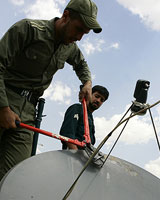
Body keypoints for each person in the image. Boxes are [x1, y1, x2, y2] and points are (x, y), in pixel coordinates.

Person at [0, 0, 102, 181]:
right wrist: (3, 108)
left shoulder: (70, 47)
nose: (79, 37)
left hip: (28, 113)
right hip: (5, 97)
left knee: (15, 176)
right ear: (66, 15)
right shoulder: (28, 29)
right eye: (79, 29)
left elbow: (81, 64)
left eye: (84, 34)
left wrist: (87, 82)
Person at [59, 85, 109, 149]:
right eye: (97, 96)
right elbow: (67, 134)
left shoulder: (90, 119)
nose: (98, 100)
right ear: (89, 95)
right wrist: (77, 156)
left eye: (102, 100)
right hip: (71, 155)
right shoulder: (77, 108)